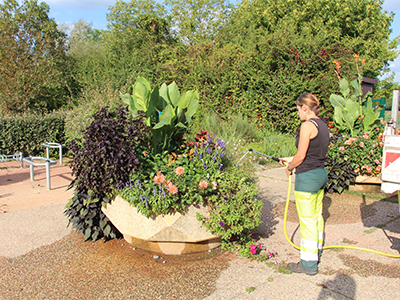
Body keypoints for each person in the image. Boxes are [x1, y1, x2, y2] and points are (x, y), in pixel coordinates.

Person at [281, 92, 330, 276]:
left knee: (307, 221)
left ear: (305, 108)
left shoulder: (306, 126)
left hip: (307, 178)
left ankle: (308, 264)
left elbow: (301, 157)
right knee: (317, 217)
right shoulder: (323, 125)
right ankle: (316, 251)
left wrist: (290, 167)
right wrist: (288, 160)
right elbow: (311, 154)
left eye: (298, 109)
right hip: (320, 175)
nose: (298, 113)